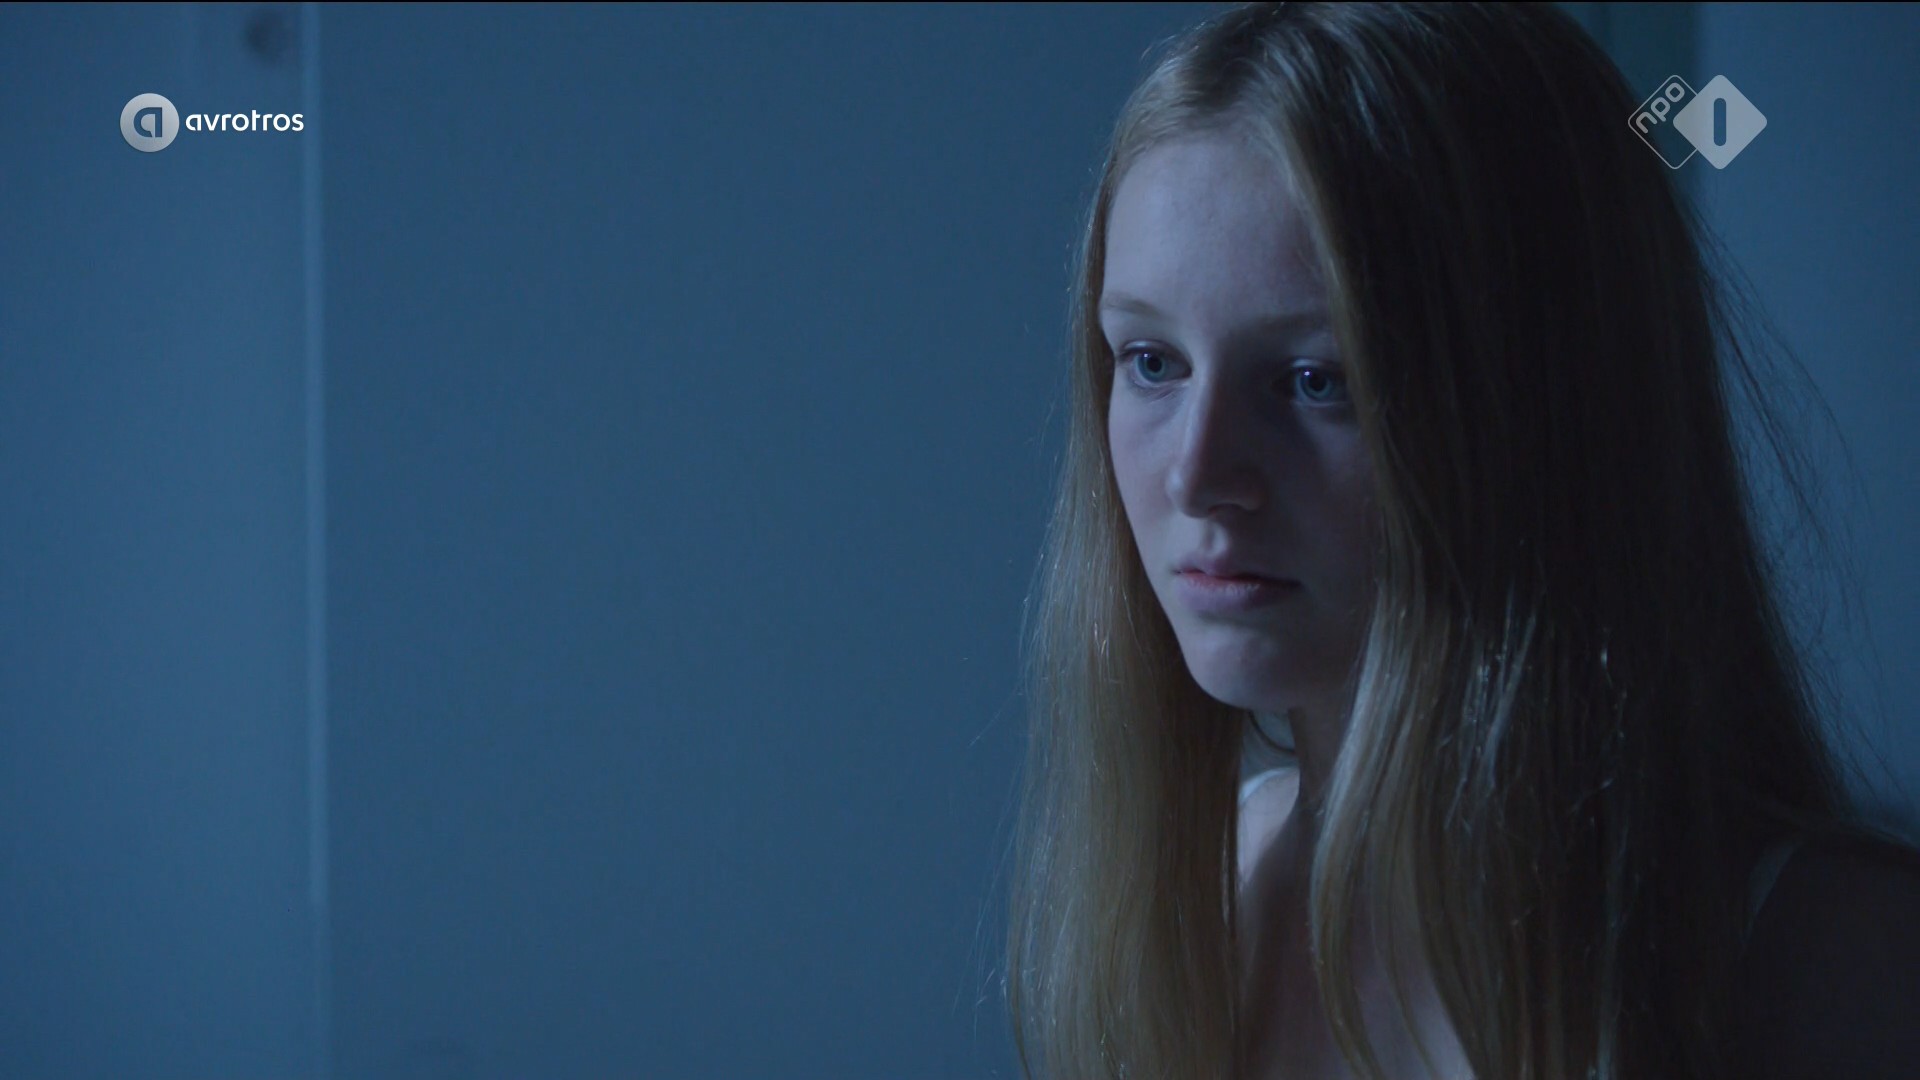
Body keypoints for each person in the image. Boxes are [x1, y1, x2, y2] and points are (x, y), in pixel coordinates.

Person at [1001, 3, 1920, 1078]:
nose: (1197, 476)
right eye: (1152, 362)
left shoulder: (1839, 964)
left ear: (1545, 408)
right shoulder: (1213, 904)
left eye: (1316, 379)